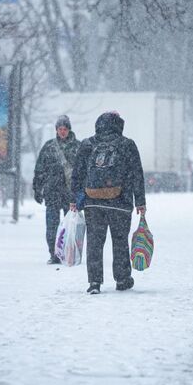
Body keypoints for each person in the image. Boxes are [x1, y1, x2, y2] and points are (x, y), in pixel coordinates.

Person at [70, 111, 146, 295]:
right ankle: (122, 279)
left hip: (93, 202)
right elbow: (137, 174)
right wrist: (140, 201)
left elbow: (77, 173)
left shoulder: (88, 144)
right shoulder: (127, 144)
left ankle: (94, 281)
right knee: (120, 242)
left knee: (94, 243)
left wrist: (74, 199)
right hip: (120, 202)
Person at [33, 115, 81, 264]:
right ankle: (54, 254)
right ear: (56, 130)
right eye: (60, 129)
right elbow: (40, 169)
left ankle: (68, 252)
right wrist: (37, 189)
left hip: (70, 194)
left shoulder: (79, 147)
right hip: (52, 192)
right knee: (52, 226)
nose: (62, 131)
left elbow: (83, 171)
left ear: (69, 129)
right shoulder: (49, 147)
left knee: (70, 227)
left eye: (65, 129)